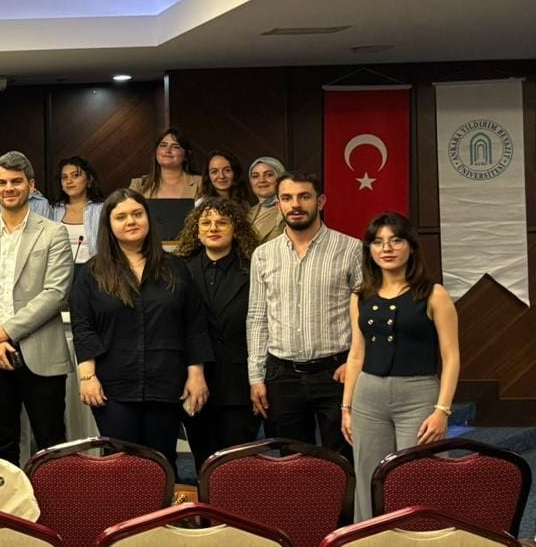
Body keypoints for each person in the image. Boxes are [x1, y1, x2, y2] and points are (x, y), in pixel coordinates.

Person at [71, 189, 212, 467]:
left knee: (162, 463)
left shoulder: (176, 268)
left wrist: (197, 375)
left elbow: (194, 324)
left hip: (167, 384)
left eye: (137, 214)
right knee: (121, 465)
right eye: (121, 216)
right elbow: (83, 326)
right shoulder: (92, 272)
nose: (131, 221)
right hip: (113, 388)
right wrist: (87, 377)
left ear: (148, 218)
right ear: (109, 225)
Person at [343, 213, 461, 520]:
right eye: (378, 242)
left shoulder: (434, 294)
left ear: (410, 246)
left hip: (418, 396)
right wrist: (347, 407)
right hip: (368, 397)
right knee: (369, 479)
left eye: (395, 240)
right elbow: (356, 354)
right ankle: (370, 538)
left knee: (420, 478)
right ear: (369, 249)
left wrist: (442, 411)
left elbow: (451, 357)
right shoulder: (360, 296)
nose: (387, 248)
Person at [0, 153, 74, 465]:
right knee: (1, 441)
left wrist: (5, 332)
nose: (8, 188)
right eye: (2, 182)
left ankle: (52, 499)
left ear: (31, 186)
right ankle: (7, 499)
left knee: (51, 442)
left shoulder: (53, 232)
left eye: (16, 181)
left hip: (41, 353)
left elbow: (56, 293)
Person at [247, 172, 362, 456]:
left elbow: (368, 314)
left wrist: (357, 362)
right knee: (293, 464)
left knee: (343, 460)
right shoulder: (263, 254)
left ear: (320, 201)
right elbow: (257, 318)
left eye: (304, 197)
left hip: (337, 373)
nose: (295, 204)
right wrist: (256, 377)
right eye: (287, 198)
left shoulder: (351, 249)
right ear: (278, 205)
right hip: (282, 375)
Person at [174, 199, 260, 469]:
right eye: (206, 223)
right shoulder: (179, 270)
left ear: (236, 229)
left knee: (238, 467)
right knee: (204, 463)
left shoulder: (254, 268)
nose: (213, 228)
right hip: (193, 381)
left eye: (222, 222)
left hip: (239, 383)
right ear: (196, 231)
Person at [49, 156, 105, 268]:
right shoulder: (53, 210)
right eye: (64, 177)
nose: (69, 181)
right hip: (58, 270)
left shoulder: (102, 209)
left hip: (94, 271)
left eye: (75, 175)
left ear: (89, 179)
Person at [130, 128, 204, 199]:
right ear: (156, 152)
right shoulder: (139, 185)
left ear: (186, 155)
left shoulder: (201, 183)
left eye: (176, 147)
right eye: (163, 145)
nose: (167, 151)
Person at [247, 157, 287, 242]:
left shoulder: (289, 208)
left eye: (269, 175)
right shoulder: (249, 212)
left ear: (280, 178)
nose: (261, 180)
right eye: (255, 176)